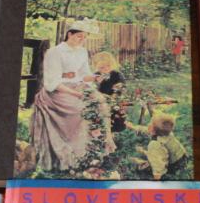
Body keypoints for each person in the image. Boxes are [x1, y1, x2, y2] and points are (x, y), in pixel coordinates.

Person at [29, 20, 103, 172]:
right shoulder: (54, 52)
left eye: (85, 37)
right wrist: (76, 93)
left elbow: (84, 74)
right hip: (57, 91)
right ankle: (70, 154)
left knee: (100, 102)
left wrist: (94, 78)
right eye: (79, 36)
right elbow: (53, 82)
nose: (82, 40)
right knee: (78, 109)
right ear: (70, 34)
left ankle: (90, 151)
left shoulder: (82, 52)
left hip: (77, 87)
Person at [92, 51, 127, 132]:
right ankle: (102, 132)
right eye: (102, 67)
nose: (106, 69)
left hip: (113, 100)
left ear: (112, 64)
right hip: (100, 100)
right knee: (99, 119)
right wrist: (97, 83)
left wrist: (113, 97)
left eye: (108, 66)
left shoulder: (116, 74)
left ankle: (113, 133)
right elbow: (93, 87)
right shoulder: (97, 75)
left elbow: (121, 87)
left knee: (115, 118)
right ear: (97, 67)